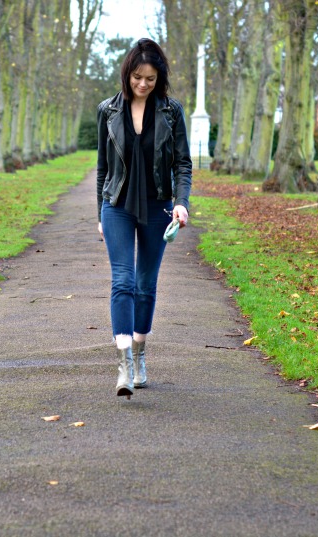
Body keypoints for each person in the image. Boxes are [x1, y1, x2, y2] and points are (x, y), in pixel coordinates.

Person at [96, 38, 192, 399]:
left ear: (159, 78)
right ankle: (123, 366)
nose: (142, 84)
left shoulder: (171, 111)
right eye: (137, 77)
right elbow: (103, 168)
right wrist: (99, 214)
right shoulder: (108, 110)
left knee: (145, 285)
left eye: (150, 79)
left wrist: (181, 202)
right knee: (122, 281)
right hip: (117, 205)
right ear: (127, 74)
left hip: (157, 207)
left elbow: (183, 162)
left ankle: (139, 353)